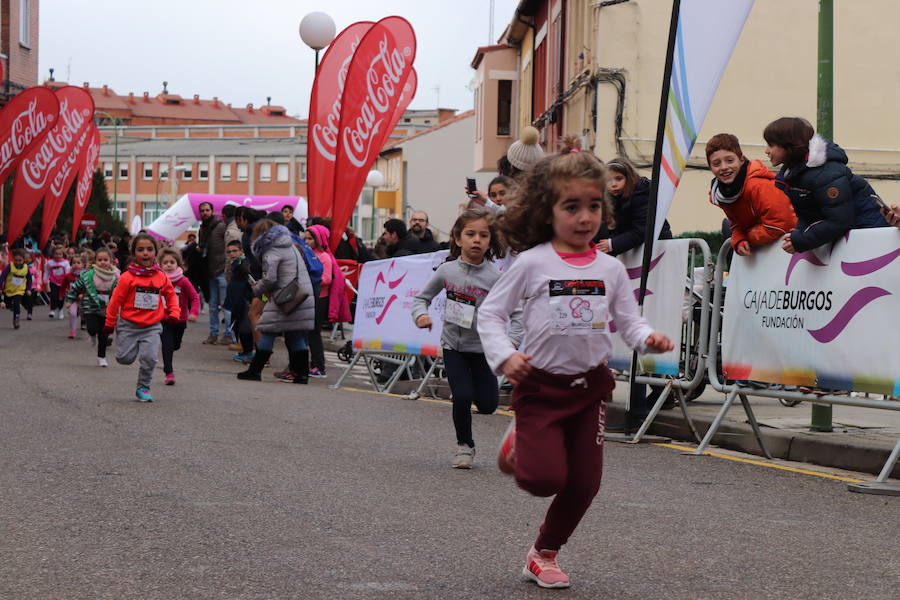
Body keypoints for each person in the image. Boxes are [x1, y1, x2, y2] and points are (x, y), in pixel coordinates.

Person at [477, 136, 673, 589]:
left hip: (590, 388)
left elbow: (628, 320)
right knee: (543, 480)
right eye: (571, 207)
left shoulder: (608, 268)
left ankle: (542, 554)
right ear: (548, 212)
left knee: (583, 483)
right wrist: (505, 355)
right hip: (540, 387)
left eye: (593, 206)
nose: (584, 218)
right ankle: (518, 446)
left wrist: (648, 338)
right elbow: (491, 313)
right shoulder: (532, 263)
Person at [411, 208, 517, 469]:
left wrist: (512, 342)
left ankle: (480, 408)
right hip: (453, 345)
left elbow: (518, 311)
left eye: (483, 235)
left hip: (483, 348)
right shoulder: (447, 271)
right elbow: (421, 299)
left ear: (491, 241)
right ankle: (464, 447)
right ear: (458, 239)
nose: (476, 240)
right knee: (461, 395)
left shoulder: (496, 277)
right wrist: (421, 316)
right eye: (470, 234)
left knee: (489, 405)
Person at [763, 117, 888, 254]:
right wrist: (798, 235)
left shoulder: (826, 173)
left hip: (868, 233)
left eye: (771, 145)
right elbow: (809, 214)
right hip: (853, 235)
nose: (766, 151)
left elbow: (840, 220)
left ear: (788, 145)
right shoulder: (794, 174)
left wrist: (801, 240)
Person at [104, 233, 180, 402]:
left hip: (152, 326)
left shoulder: (161, 277)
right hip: (128, 325)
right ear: (134, 253)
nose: (145, 253)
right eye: (140, 250)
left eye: (149, 249)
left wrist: (174, 312)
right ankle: (133, 346)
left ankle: (143, 387)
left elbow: (171, 295)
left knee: (150, 358)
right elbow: (115, 301)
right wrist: (110, 322)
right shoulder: (127, 278)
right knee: (124, 359)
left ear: (155, 252)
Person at [237, 221, 314, 383]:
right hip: (301, 296)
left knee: (267, 330)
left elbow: (270, 278)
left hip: (284, 298)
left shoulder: (271, 251)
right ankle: (302, 374)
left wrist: (257, 289)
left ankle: (255, 370)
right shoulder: (291, 246)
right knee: (295, 334)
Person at [705, 133, 798, 255]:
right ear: (710, 167)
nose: (724, 167)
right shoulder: (723, 194)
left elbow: (781, 225)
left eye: (730, 160)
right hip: (768, 253)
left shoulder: (758, 185)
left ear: (741, 160)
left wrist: (748, 237)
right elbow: (736, 224)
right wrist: (739, 240)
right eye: (716, 164)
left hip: (790, 251)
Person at [595, 157, 672, 256]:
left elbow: (643, 229)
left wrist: (612, 244)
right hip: (638, 251)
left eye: (618, 179)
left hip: (657, 250)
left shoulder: (641, 194)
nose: (613, 184)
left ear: (629, 178)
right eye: (608, 180)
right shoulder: (613, 198)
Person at [304, 225, 352, 378]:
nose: (307, 241)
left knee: (313, 333)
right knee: (307, 333)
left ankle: (319, 366)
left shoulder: (324, 257)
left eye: (310, 238)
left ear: (319, 240)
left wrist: (307, 278)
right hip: (308, 297)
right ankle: (312, 364)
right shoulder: (307, 254)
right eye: (305, 238)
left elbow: (326, 279)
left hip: (320, 299)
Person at [64, 247, 118, 365]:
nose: (103, 262)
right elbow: (76, 287)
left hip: (107, 308)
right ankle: (92, 335)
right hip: (90, 307)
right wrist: (70, 300)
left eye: (105, 259)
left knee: (104, 333)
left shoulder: (116, 276)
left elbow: (121, 293)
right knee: (92, 328)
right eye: (100, 260)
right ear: (95, 262)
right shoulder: (88, 275)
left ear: (111, 261)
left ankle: (101, 357)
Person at [158, 248, 200, 385]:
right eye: (165, 263)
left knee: (175, 345)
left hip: (180, 319)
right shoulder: (158, 280)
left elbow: (194, 297)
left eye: (172, 262)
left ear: (178, 264)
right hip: (164, 319)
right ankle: (169, 373)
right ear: (160, 265)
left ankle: (170, 349)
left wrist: (194, 312)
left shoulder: (183, 281)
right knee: (167, 345)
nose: (169, 265)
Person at [198, 202, 230, 344]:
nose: (205, 213)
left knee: (226, 305)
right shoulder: (202, 229)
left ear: (212, 211)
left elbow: (231, 245)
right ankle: (213, 334)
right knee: (212, 306)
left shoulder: (221, 226)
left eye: (207, 210)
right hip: (210, 272)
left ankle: (229, 334)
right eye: (202, 211)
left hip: (222, 270)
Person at [223, 240, 255, 363]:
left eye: (235, 251)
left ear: (241, 251)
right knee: (238, 325)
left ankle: (248, 352)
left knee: (244, 327)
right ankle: (245, 351)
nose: (232, 253)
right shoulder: (236, 263)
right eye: (229, 251)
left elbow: (251, 281)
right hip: (236, 299)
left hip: (244, 299)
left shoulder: (244, 264)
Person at [0, 249, 32, 329]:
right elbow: (2, 277)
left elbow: (29, 279)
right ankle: (11, 306)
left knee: (17, 303)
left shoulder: (26, 268)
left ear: (24, 260)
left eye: (20, 260)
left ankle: (16, 320)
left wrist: (28, 289)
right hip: (9, 290)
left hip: (19, 290)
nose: (18, 262)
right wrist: (0, 287)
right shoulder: (9, 266)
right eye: (16, 260)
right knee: (8, 305)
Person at [60, 255, 86, 339]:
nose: (76, 264)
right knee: (72, 313)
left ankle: (84, 322)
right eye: (74, 263)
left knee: (85, 313)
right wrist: (61, 295)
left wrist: (83, 294)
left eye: (78, 263)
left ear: (83, 264)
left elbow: (89, 286)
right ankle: (72, 331)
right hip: (72, 298)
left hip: (84, 298)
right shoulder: (68, 276)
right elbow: (63, 286)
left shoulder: (86, 275)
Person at [44, 246, 70, 319]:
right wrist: (45, 280)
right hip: (53, 281)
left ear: (62, 254)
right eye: (56, 254)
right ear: (52, 254)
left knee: (61, 297)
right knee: (54, 295)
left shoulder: (65, 262)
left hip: (63, 282)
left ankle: (60, 310)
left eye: (60, 254)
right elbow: (47, 272)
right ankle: (52, 310)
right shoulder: (49, 263)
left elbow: (68, 272)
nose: (58, 256)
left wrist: (68, 282)